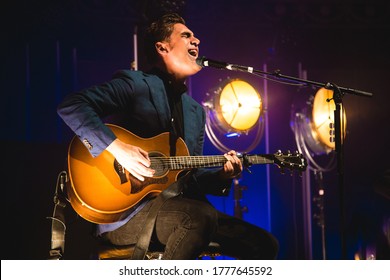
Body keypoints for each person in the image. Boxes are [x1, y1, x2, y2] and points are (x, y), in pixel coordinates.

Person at [57, 12, 279, 260]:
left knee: (264, 244)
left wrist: (221, 174)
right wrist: (118, 148)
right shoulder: (136, 85)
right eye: (186, 35)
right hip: (128, 213)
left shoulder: (196, 112)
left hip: (180, 208)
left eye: (195, 36)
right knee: (200, 216)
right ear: (162, 48)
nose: (196, 41)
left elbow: (189, 176)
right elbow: (72, 106)